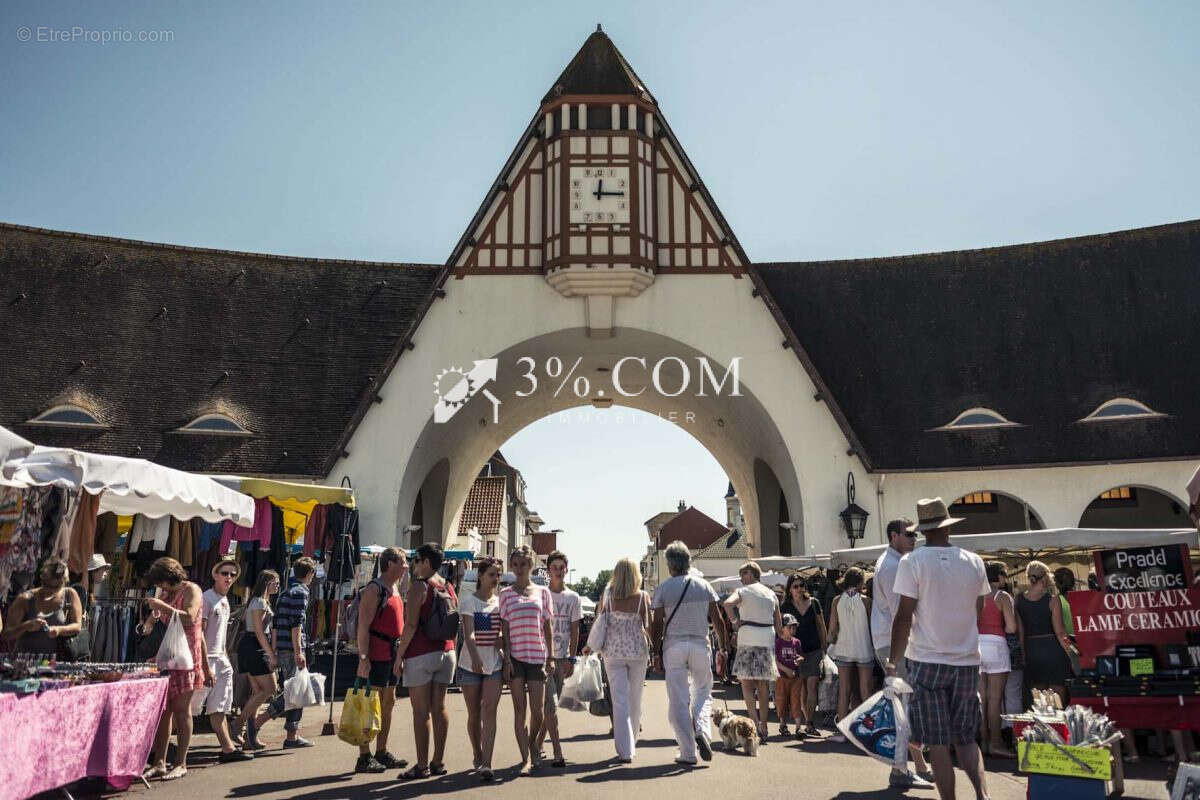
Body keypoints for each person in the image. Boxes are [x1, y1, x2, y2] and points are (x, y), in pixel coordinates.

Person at [887, 498, 991, 800]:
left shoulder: (913, 562)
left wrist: (893, 661)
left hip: (927, 659)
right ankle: (982, 795)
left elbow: (904, 615)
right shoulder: (973, 561)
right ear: (946, 527)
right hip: (967, 659)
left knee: (938, 741)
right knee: (967, 739)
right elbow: (979, 608)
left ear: (922, 532)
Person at [870, 518, 935, 787]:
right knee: (904, 709)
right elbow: (902, 615)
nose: (914, 538)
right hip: (895, 642)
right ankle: (900, 770)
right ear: (894, 536)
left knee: (904, 707)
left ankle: (916, 765)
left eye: (915, 534)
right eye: (909, 534)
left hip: (891, 641)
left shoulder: (893, 562)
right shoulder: (894, 566)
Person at [652, 541, 728, 765]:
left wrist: (655, 653)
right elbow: (719, 620)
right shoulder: (704, 586)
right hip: (699, 645)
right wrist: (723, 647)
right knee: (703, 691)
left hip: (674, 646)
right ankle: (703, 730)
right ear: (688, 561)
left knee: (678, 699)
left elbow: (656, 624)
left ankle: (687, 752)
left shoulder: (664, 588)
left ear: (669, 564)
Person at [393, 542, 458, 780]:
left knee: (420, 712)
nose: (413, 566)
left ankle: (422, 765)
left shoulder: (420, 587)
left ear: (426, 562)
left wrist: (399, 655)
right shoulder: (449, 587)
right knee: (439, 707)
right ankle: (438, 761)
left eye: (416, 561)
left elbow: (410, 625)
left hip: (421, 653)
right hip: (447, 652)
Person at [143, 557, 206, 781]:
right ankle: (160, 761)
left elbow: (190, 619)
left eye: (161, 583)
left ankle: (181, 762)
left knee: (181, 710)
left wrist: (162, 606)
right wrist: (149, 623)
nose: (160, 588)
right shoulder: (167, 594)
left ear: (168, 578)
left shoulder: (192, 590)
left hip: (187, 659)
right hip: (168, 658)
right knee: (164, 711)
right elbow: (154, 621)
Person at [353, 547, 410, 773]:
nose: (406, 566)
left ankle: (381, 751)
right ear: (389, 564)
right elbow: (363, 627)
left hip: (392, 653)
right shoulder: (374, 589)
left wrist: (401, 655)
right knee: (370, 705)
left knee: (389, 702)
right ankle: (364, 756)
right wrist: (364, 657)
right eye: (403, 562)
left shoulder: (394, 587)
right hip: (376, 653)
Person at [498, 544, 554, 777]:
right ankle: (525, 758)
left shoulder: (543, 592)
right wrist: (507, 659)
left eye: (524, 564)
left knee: (538, 712)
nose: (520, 568)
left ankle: (533, 745)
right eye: (516, 564)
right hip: (516, 659)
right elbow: (505, 629)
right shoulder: (505, 594)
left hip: (537, 656)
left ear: (531, 565)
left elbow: (548, 626)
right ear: (512, 566)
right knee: (519, 710)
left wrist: (551, 656)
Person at [191, 558, 253, 763]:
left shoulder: (225, 601)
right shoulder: (206, 599)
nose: (229, 577)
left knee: (219, 708)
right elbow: (198, 634)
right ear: (215, 575)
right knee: (188, 709)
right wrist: (206, 667)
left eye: (232, 574)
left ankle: (227, 748)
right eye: (224, 573)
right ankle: (160, 751)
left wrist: (224, 657)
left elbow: (220, 635)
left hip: (220, 661)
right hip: (205, 661)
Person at [723, 561, 785, 744]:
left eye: (744, 574)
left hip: (748, 638)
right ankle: (764, 726)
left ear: (752, 574)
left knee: (746, 684)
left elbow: (727, 604)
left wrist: (735, 621)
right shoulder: (771, 593)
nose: (741, 578)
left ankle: (754, 724)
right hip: (766, 638)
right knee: (763, 685)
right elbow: (779, 624)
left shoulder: (743, 591)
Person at [597, 557, 650, 763]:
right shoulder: (643, 596)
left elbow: (601, 620)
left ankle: (625, 749)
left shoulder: (608, 595)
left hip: (613, 651)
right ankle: (631, 742)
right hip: (637, 652)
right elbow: (648, 625)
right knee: (635, 700)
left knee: (619, 701)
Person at [459, 556, 505, 782]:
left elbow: (504, 631)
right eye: (491, 574)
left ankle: (487, 762)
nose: (496, 579)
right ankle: (477, 753)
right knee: (474, 713)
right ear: (480, 576)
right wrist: (475, 656)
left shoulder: (501, 602)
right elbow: (468, 633)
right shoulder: (469, 601)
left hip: (494, 664)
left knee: (490, 712)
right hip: (470, 664)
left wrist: (502, 639)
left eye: (498, 575)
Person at [534, 549, 581, 768]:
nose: (559, 571)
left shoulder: (573, 598)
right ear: (548, 570)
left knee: (550, 708)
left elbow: (575, 629)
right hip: (543, 658)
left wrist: (572, 658)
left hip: (563, 659)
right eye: (555, 568)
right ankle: (557, 751)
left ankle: (537, 743)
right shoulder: (541, 595)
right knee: (550, 705)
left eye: (562, 568)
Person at [269, 556, 317, 749]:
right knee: (295, 692)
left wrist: (274, 650)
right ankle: (256, 723)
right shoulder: (301, 593)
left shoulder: (285, 592)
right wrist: (299, 651)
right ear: (310, 574)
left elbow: (275, 624)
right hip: (292, 648)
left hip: (282, 647)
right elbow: (296, 624)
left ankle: (292, 735)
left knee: (296, 691)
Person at [1016, 560, 1076, 706]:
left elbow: (1020, 632)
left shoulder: (1018, 600)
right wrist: (1071, 652)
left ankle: (1043, 724)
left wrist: (1023, 654)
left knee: (1037, 691)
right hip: (1052, 649)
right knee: (1057, 688)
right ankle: (1059, 722)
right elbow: (1061, 632)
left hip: (1031, 649)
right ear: (1044, 577)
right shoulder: (1053, 600)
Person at [233, 569, 279, 751]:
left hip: (252, 645)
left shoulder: (260, 601)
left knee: (257, 692)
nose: (277, 585)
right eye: (275, 582)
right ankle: (237, 724)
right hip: (254, 646)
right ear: (266, 583)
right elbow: (259, 631)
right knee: (270, 689)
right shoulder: (259, 602)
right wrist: (271, 653)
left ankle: (249, 736)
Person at [828, 567, 875, 743]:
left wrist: (829, 646)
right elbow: (872, 627)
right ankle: (869, 731)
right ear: (861, 582)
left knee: (844, 691)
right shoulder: (867, 601)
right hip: (864, 649)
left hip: (844, 649)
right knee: (866, 690)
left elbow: (832, 629)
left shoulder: (836, 601)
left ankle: (842, 732)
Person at [3, 556, 83, 658]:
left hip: (57, 663)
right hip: (25, 662)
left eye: (56, 587)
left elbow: (77, 626)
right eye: (46, 585)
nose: (50, 590)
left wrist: (59, 630)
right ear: (42, 579)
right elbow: (7, 634)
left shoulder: (70, 595)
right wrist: (26, 626)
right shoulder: (25, 598)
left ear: (64, 583)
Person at [978, 560, 1017, 758]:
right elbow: (1011, 627)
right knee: (995, 699)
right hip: (996, 644)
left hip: (976, 644)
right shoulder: (1002, 597)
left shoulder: (975, 594)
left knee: (981, 698)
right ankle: (996, 742)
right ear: (999, 576)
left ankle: (983, 742)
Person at [780, 575, 827, 738]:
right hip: (794, 652)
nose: (800, 589)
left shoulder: (814, 603)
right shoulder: (785, 606)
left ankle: (810, 723)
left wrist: (825, 645)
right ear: (789, 589)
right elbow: (781, 630)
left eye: (802, 585)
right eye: (795, 586)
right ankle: (805, 721)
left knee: (812, 684)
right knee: (801, 689)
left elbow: (821, 625)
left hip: (814, 649)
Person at [774, 613, 804, 736]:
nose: (793, 630)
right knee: (782, 700)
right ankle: (783, 724)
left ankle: (798, 727)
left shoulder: (797, 642)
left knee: (796, 700)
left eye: (794, 627)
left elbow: (801, 655)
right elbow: (775, 660)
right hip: (782, 677)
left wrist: (800, 659)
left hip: (795, 677)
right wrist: (786, 669)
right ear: (782, 628)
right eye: (790, 627)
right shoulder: (778, 642)